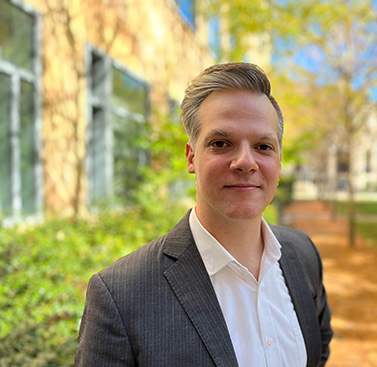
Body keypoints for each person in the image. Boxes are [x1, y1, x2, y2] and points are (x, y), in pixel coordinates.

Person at [75, 62, 333, 367]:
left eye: (264, 146)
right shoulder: (121, 295)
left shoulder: (302, 255)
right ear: (192, 157)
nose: (246, 162)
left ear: (278, 161)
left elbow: (319, 352)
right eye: (221, 143)